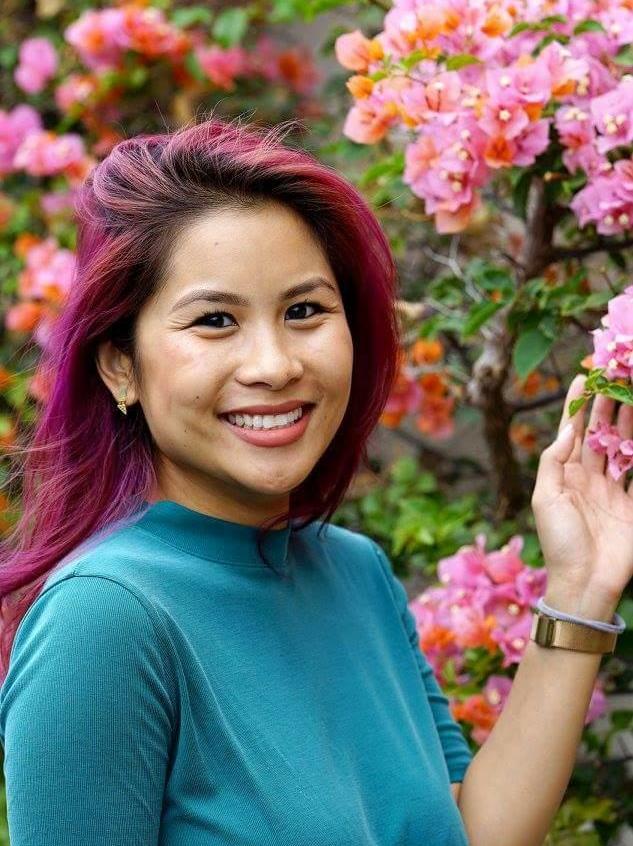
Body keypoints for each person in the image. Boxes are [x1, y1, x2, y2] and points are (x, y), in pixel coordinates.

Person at [0, 115, 630, 846]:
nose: (274, 365)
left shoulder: (357, 572)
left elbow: (471, 833)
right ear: (120, 366)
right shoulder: (105, 620)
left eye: (304, 311)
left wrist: (578, 590)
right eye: (214, 320)